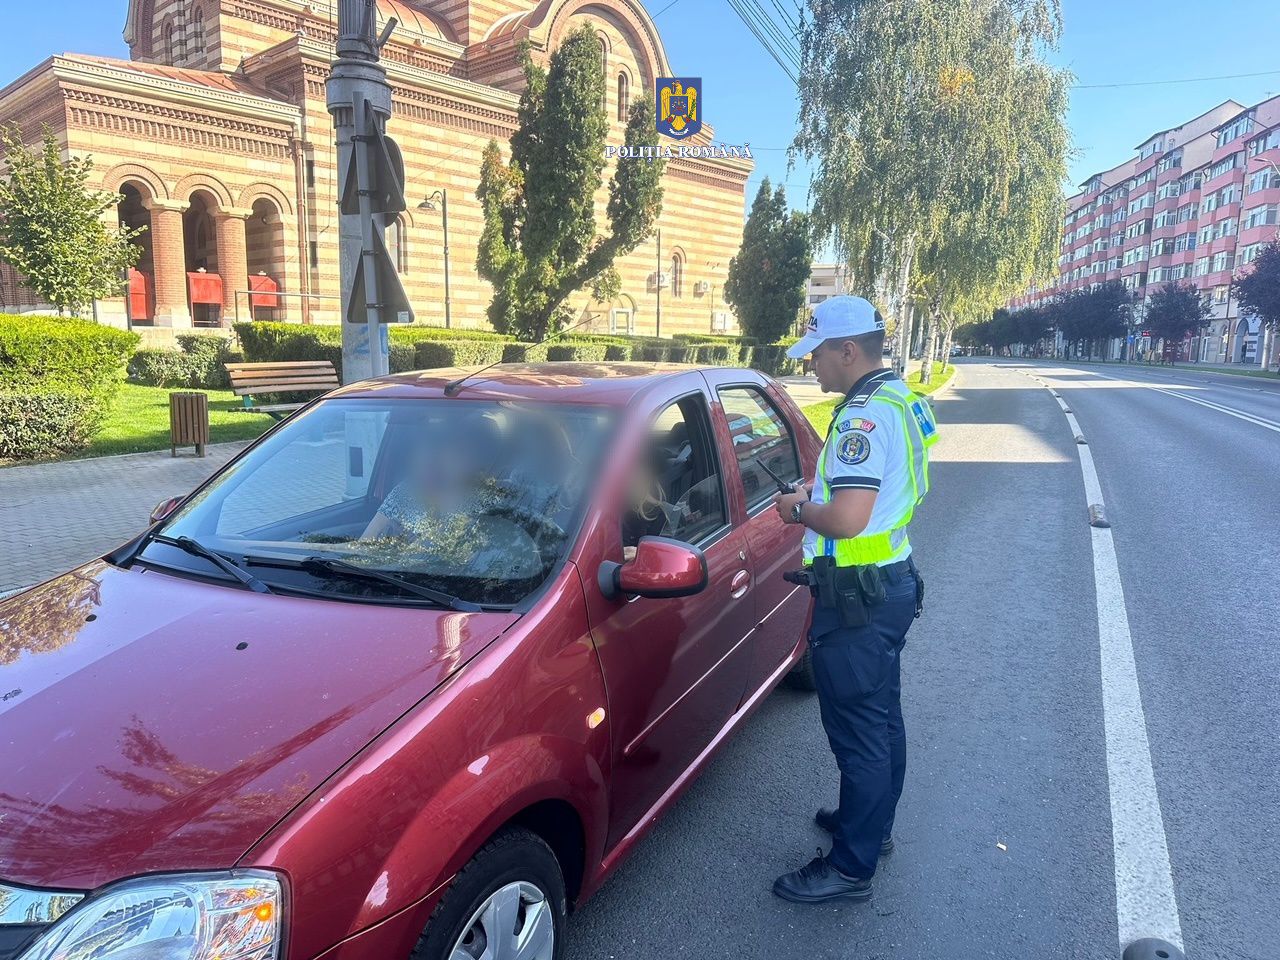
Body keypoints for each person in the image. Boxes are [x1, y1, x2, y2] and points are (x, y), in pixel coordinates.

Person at [770, 296, 938, 904]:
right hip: (889, 584)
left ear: (848, 350)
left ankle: (849, 868)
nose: (811, 364)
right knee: (882, 720)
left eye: (816, 353)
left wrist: (797, 509)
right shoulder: (899, 398)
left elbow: (845, 517)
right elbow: (891, 493)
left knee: (859, 733)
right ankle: (871, 827)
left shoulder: (860, 418)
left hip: (858, 603)